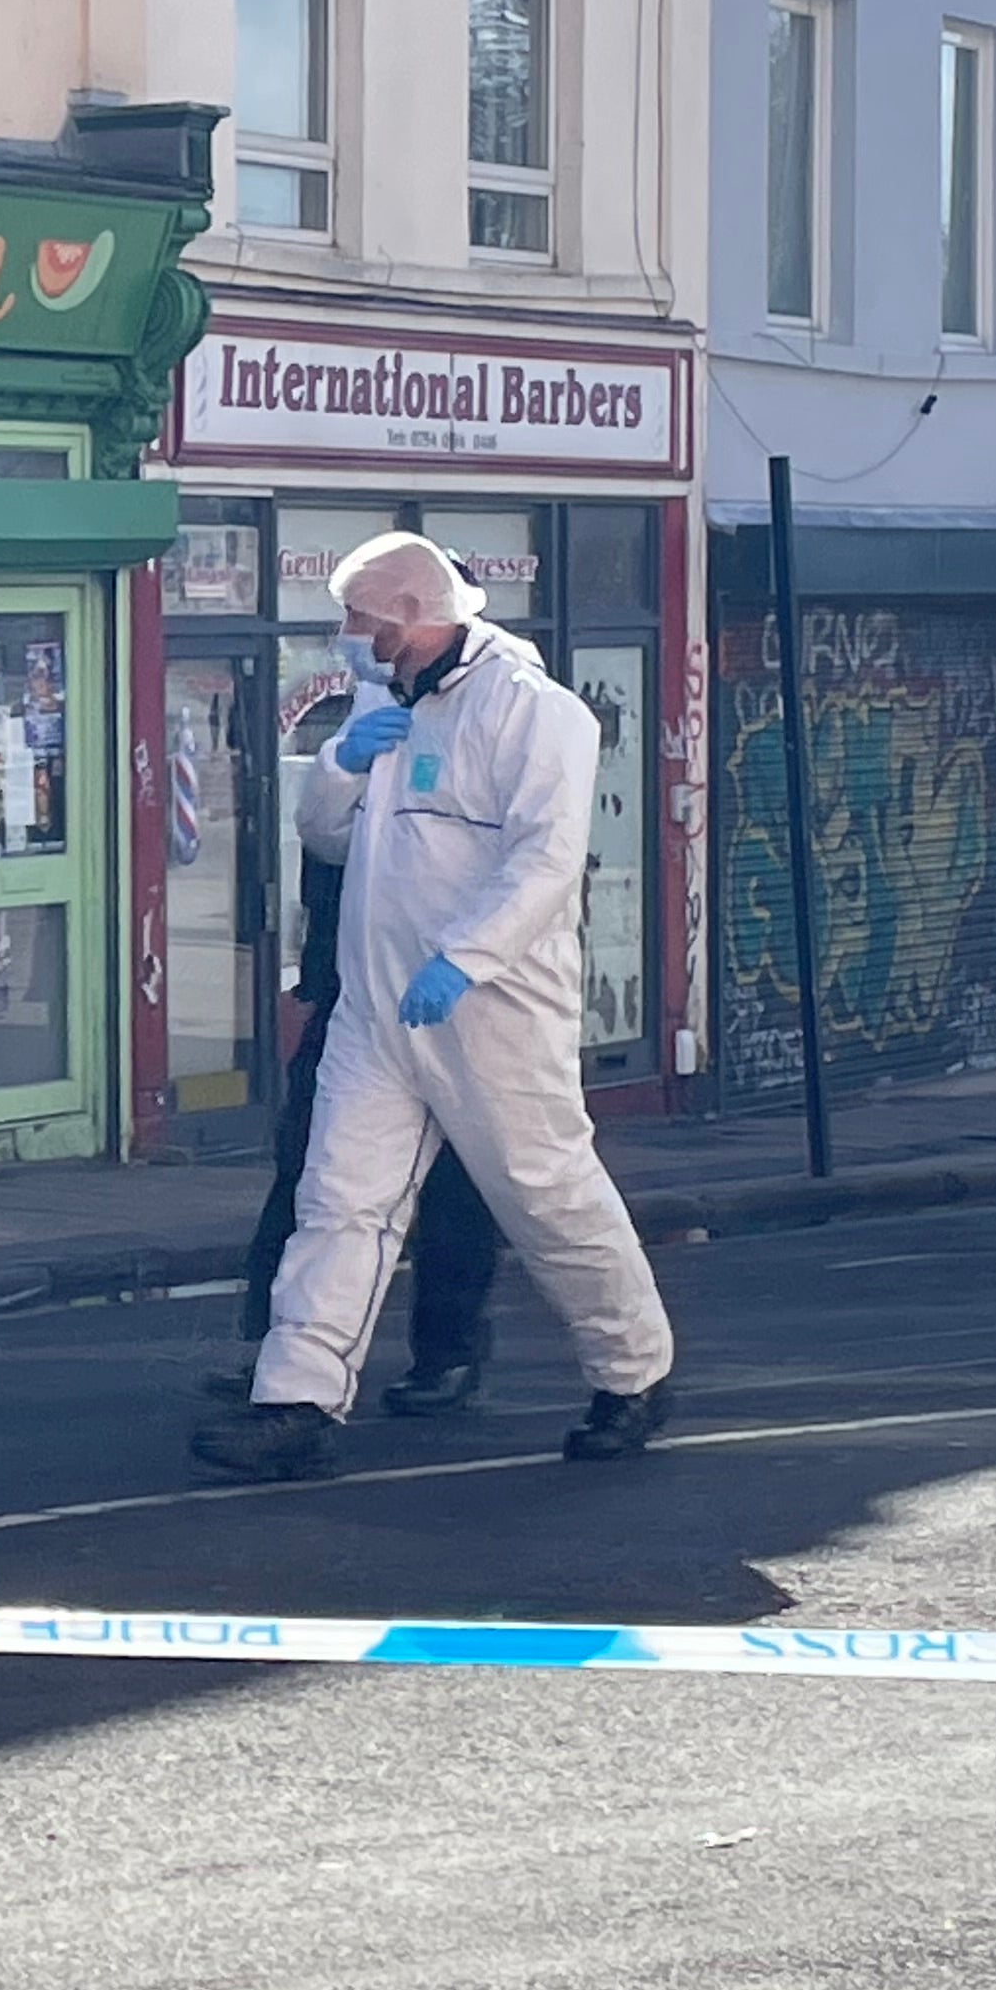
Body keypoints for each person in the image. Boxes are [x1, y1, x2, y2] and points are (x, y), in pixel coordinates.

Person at [192, 532, 675, 1479]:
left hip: (493, 1013)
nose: (347, 637)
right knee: (338, 1201)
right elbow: (328, 839)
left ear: (415, 617)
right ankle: (296, 1401)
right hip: (378, 1007)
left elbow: (543, 862)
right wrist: (338, 761)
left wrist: (464, 960)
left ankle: (634, 1375)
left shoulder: (538, 716)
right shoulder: (382, 702)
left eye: (360, 621)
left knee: (548, 1199)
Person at [205, 730, 505, 1413]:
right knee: (310, 1169)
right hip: (354, 997)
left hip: (452, 1003)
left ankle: (449, 1352)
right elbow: (324, 861)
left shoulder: (464, 781)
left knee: (458, 1188)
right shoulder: (360, 767)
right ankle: (275, 1347)